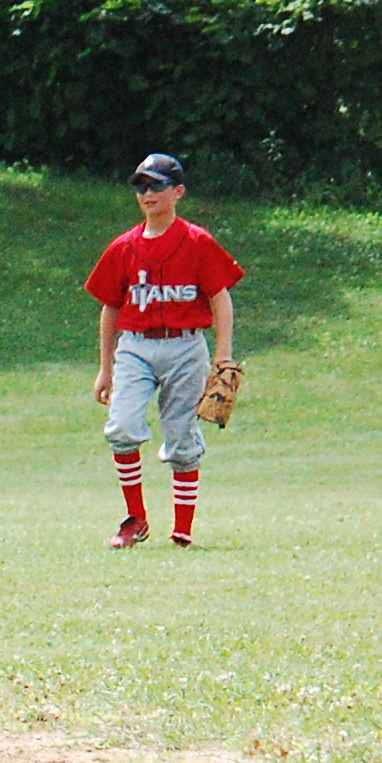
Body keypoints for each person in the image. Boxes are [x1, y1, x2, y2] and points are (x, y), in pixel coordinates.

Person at [86, 151, 244, 549]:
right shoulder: (124, 247)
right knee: (122, 427)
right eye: (141, 186)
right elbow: (110, 307)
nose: (147, 193)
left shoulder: (197, 242)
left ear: (178, 192)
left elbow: (220, 297)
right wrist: (105, 368)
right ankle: (135, 519)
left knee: (181, 437)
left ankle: (183, 531)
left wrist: (223, 355)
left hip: (186, 347)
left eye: (157, 185)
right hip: (135, 347)